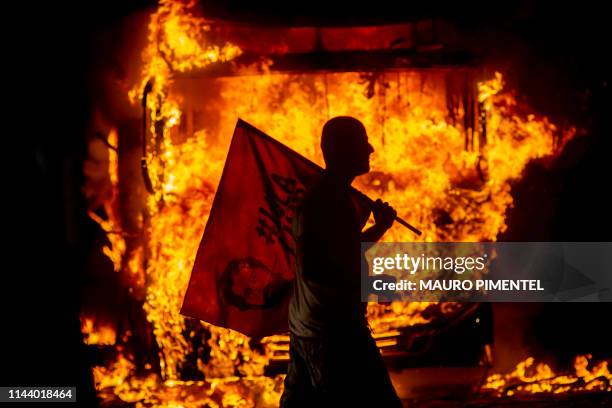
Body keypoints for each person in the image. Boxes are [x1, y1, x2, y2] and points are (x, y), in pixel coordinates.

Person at [280, 116, 402, 407]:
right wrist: (370, 286)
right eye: (362, 143)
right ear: (343, 150)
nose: (370, 149)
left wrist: (380, 228)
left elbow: (343, 249)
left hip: (315, 327)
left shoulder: (334, 196)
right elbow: (317, 267)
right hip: (333, 335)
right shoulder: (324, 201)